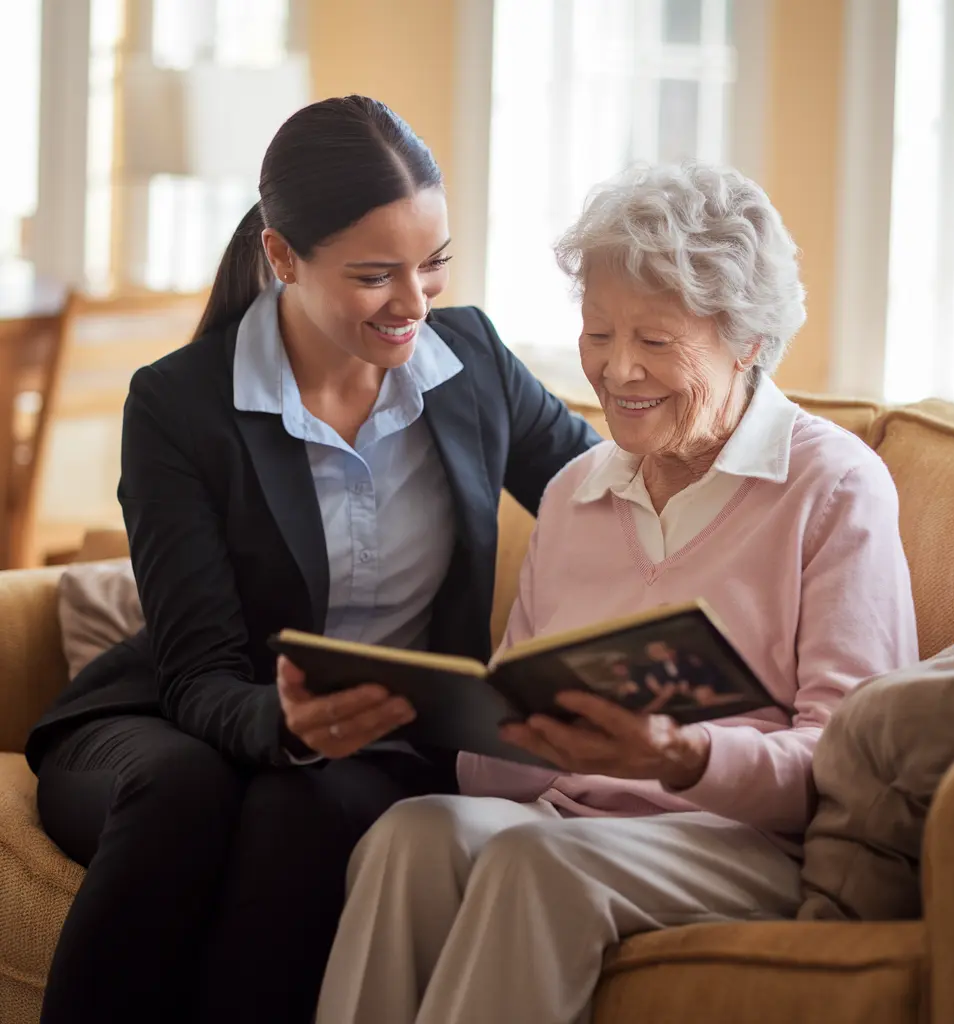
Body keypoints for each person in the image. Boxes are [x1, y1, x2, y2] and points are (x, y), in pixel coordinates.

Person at [25, 96, 599, 1024]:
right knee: (189, 792)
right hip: (175, 724)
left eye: (434, 265)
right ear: (283, 256)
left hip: (381, 750)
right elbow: (199, 674)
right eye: (376, 275)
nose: (414, 303)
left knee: (302, 810)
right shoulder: (180, 406)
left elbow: (601, 498)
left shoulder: (476, 364)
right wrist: (286, 725)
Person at [314, 161, 920, 1024]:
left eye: (658, 340)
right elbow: (497, 774)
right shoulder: (577, 491)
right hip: (572, 819)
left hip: (745, 841)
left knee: (535, 866)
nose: (618, 370)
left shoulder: (831, 487)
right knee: (413, 834)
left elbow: (850, 769)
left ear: (748, 340)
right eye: (599, 334)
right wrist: (459, 718)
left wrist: (684, 759)